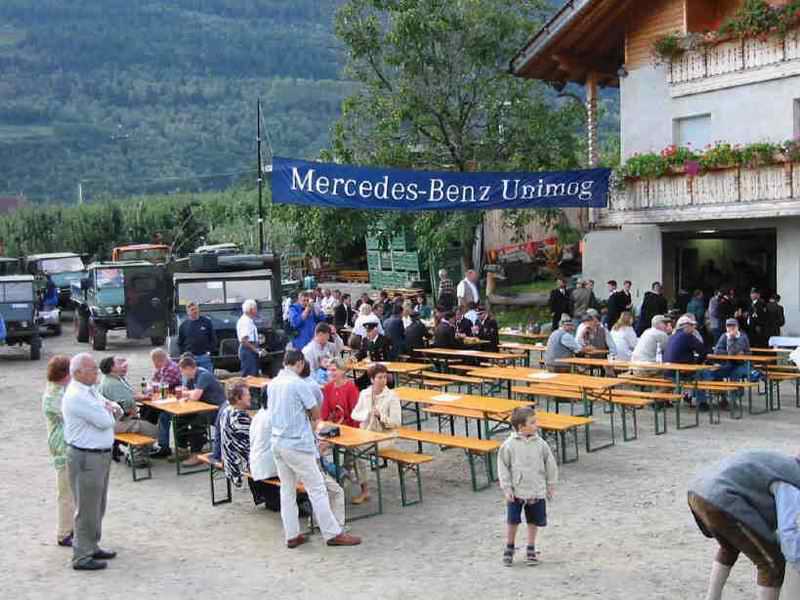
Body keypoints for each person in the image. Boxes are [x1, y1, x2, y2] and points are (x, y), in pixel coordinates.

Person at [267, 350, 360, 548]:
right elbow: (316, 412)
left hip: (277, 442)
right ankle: (332, 533)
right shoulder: (298, 383)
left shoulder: (273, 383)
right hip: (297, 443)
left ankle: (292, 534)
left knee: (287, 490)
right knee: (317, 488)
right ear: (300, 363)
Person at [688, 450, 800, 600]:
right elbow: (788, 531)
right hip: (720, 499)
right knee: (772, 563)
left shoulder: (780, 465)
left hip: (699, 490)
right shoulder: (792, 480)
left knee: (730, 546)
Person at [62, 353, 122, 571]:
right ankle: (81, 555)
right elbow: (106, 420)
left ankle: (91, 545)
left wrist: (110, 409)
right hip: (87, 457)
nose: (97, 372)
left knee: (97, 505)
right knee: (87, 507)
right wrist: (110, 411)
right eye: (92, 369)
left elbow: (113, 407)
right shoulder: (77, 395)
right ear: (78, 373)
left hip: (98, 456)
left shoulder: (90, 390)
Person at [498, 406, 557, 567]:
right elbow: (503, 467)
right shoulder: (509, 445)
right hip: (516, 491)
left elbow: (550, 464)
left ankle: (531, 547)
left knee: (533, 520)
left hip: (536, 490)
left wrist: (551, 484)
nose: (536, 425)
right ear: (521, 427)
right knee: (513, 520)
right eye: (532, 422)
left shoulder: (541, 444)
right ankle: (510, 547)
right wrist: (507, 488)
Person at [351, 363, 401, 504]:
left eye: (385, 377)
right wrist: (367, 414)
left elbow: (397, 423)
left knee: (356, 450)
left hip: (385, 436)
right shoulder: (364, 393)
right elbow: (354, 414)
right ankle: (351, 479)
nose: (383, 380)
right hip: (367, 433)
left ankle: (364, 489)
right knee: (350, 449)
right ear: (372, 379)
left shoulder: (392, 396)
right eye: (379, 377)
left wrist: (381, 417)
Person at [42, 355, 74, 547]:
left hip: (68, 445)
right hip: (62, 447)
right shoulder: (53, 395)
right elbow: (70, 415)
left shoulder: (61, 388)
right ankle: (64, 533)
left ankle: (71, 528)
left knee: (72, 492)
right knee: (66, 492)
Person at [178, 354, 226, 466]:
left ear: (189, 368)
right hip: (204, 407)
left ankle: (197, 453)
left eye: (183, 371)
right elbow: (186, 392)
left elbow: (194, 396)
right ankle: (183, 448)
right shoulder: (191, 377)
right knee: (180, 417)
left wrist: (187, 393)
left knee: (196, 421)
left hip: (217, 410)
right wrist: (188, 393)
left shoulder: (203, 375)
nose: (182, 374)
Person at [97, 356, 158, 441]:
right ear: (112, 368)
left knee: (148, 414)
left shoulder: (110, 378)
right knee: (154, 430)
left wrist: (142, 397)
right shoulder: (114, 384)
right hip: (116, 422)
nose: (125, 365)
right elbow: (128, 407)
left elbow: (128, 395)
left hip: (113, 419)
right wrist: (135, 415)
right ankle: (143, 449)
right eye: (119, 363)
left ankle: (142, 446)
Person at [664, 314, 713, 411]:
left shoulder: (672, 336)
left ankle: (687, 395)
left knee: (696, 372)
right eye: (691, 325)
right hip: (680, 372)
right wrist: (698, 363)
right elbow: (703, 351)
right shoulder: (687, 336)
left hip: (667, 372)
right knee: (701, 373)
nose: (694, 327)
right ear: (685, 326)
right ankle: (702, 402)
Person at [148, 349, 182, 458]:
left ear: (158, 360)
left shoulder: (171, 368)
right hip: (169, 400)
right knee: (149, 412)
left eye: (153, 361)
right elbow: (153, 381)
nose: (153, 364)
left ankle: (164, 447)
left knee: (163, 416)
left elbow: (162, 386)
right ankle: (150, 443)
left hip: (178, 403)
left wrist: (154, 386)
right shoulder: (163, 367)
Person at [220, 378, 252, 489]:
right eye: (247, 394)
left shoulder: (227, 410)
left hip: (230, 460)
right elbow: (256, 439)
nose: (250, 397)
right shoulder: (239, 417)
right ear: (238, 398)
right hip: (239, 465)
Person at [177, 301, 216, 372]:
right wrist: (183, 354)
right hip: (190, 358)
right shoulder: (183, 325)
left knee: (206, 376)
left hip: (204, 357)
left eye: (196, 309)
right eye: (192, 310)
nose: (195, 311)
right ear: (188, 312)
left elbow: (213, 339)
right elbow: (180, 342)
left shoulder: (207, 322)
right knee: (189, 378)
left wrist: (209, 352)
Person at [321, 359, 360, 428]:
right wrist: (323, 424)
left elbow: (356, 414)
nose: (330, 373)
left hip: (349, 427)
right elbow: (325, 411)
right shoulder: (328, 387)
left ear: (343, 371)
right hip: (333, 426)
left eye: (334, 370)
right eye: (329, 370)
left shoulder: (351, 389)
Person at [713, 318, 752, 384]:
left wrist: (743, 355)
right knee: (716, 372)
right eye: (728, 326)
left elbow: (748, 352)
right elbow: (717, 351)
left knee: (736, 373)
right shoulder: (724, 336)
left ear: (737, 327)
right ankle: (721, 389)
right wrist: (728, 353)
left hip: (740, 363)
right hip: (727, 363)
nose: (731, 328)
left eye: (733, 326)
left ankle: (736, 390)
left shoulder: (743, 337)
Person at [236, 299, 263, 377]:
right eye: (255, 308)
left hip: (250, 349)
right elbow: (244, 340)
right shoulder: (245, 322)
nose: (257, 310)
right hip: (248, 351)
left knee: (254, 374)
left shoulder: (249, 321)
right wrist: (256, 350)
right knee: (250, 376)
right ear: (251, 310)